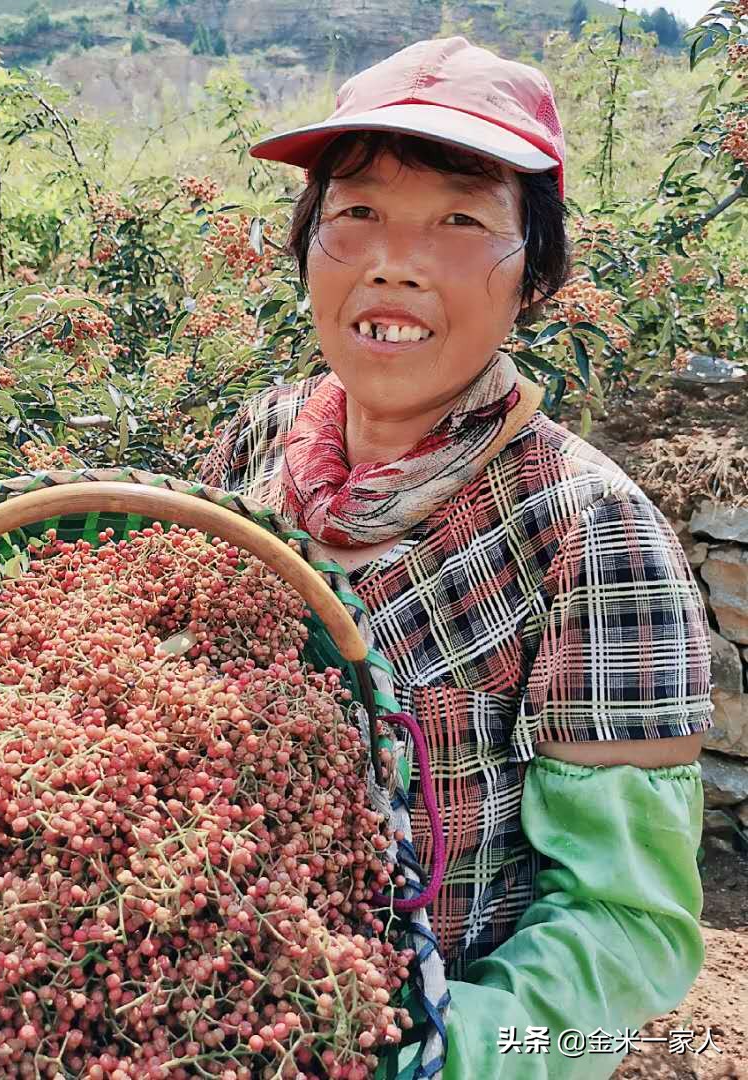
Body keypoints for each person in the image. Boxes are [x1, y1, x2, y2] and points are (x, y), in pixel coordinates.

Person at [197, 36, 713, 1080]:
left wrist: (432, 1056)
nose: (397, 257)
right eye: (357, 213)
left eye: (462, 220)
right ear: (306, 244)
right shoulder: (260, 441)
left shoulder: (583, 529)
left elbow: (627, 929)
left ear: (534, 274)